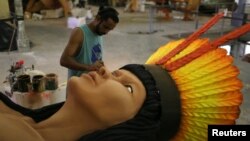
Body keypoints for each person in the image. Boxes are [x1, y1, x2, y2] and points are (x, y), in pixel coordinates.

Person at [0, 15, 249, 141]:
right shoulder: (22, 120)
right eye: (118, 73)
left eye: (129, 89)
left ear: (132, 128)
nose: (105, 72)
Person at [60, 6, 119, 79]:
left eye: (110, 29)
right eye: (105, 27)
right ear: (98, 18)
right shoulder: (79, 33)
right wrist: (88, 67)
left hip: (92, 82)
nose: (106, 32)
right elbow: (64, 60)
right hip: (78, 85)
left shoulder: (99, 32)